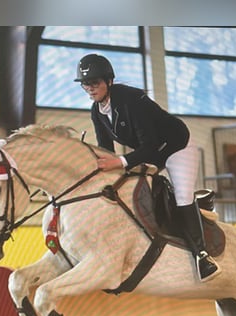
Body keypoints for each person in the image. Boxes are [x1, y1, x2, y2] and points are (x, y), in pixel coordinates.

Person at [74, 53, 220, 282]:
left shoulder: (131, 100)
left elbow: (149, 145)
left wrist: (120, 162)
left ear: (108, 81)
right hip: (151, 151)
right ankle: (194, 206)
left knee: (182, 196)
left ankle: (202, 256)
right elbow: (107, 150)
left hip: (177, 145)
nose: (90, 89)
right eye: (85, 84)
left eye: (95, 83)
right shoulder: (97, 110)